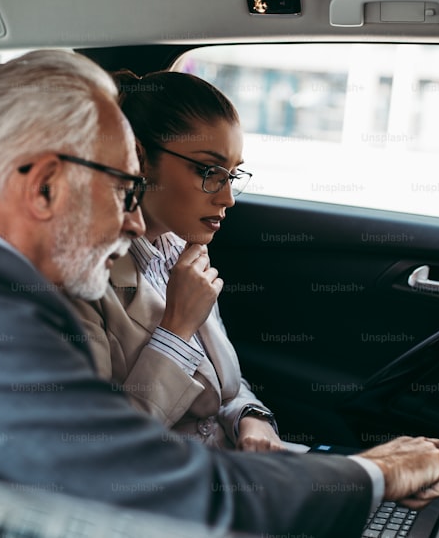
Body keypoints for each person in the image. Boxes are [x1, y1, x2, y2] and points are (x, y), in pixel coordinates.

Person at [0, 49, 439, 537]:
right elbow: (165, 494)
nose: (135, 220)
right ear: (44, 184)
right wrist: (371, 473)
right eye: (125, 190)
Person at [68, 71, 285, 452]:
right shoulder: (79, 280)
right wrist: (177, 327)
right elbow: (100, 447)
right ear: (140, 159)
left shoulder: (180, 248)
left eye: (232, 175)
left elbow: (219, 384)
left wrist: (251, 418)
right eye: (207, 171)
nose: (227, 197)